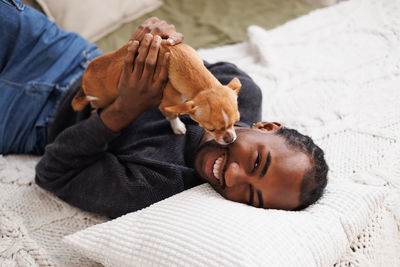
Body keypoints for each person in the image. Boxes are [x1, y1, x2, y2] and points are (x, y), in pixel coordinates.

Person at [0, 0, 328, 218]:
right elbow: (177, 60)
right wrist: (146, 47)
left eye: (251, 197)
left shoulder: (159, 186)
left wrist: (125, 109)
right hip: (71, 57)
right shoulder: (237, 88)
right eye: (256, 162)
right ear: (267, 127)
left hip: (28, 120)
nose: (232, 175)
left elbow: (53, 174)